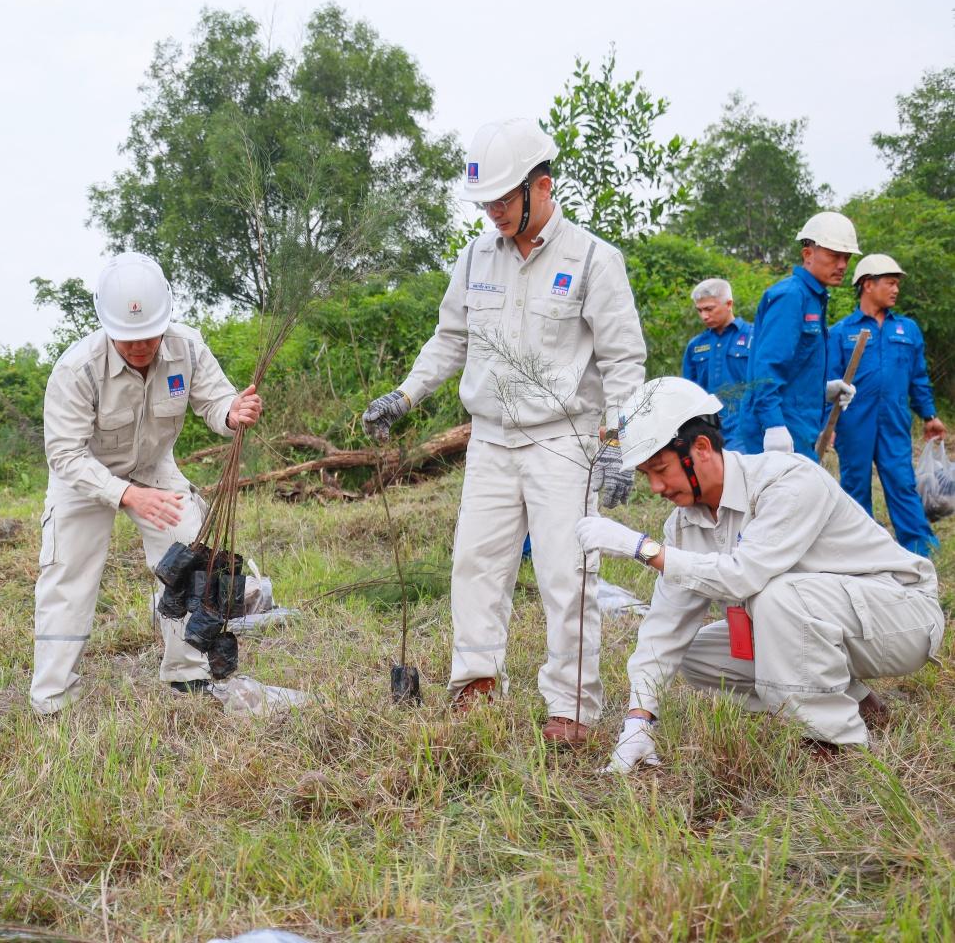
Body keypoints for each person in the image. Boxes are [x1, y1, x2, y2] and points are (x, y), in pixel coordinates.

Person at [361, 118, 646, 745]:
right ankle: (478, 683)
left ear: (540, 187)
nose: (491, 212)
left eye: (500, 199)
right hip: (490, 438)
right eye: (484, 201)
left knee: (567, 573)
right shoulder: (475, 257)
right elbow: (450, 340)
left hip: (564, 440)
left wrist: (620, 443)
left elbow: (624, 361)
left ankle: (571, 706)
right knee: (476, 562)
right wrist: (404, 395)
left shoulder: (594, 259)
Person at [575, 377, 943, 771]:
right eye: (647, 474)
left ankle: (836, 741)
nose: (656, 486)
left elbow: (742, 576)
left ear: (701, 449)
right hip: (830, 623)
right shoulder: (684, 524)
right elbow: (665, 626)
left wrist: (643, 549)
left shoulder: (787, 480)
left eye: (661, 469)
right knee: (695, 653)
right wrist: (638, 720)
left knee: (774, 595)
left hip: (901, 616)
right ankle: (853, 700)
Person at [31, 252, 264, 715]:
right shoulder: (76, 369)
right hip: (85, 475)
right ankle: (52, 698)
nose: (140, 348)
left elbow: (216, 400)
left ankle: (188, 672)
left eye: (149, 337)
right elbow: (64, 454)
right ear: (106, 326)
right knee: (67, 577)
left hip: (154, 468)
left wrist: (231, 413)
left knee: (190, 555)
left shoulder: (188, 348)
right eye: (128, 339)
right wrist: (125, 495)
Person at [829, 254, 946, 557]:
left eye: (897, 284)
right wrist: (825, 426)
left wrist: (929, 415)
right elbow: (828, 383)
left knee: (902, 482)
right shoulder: (841, 332)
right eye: (890, 283)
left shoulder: (907, 330)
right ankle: (862, 549)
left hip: (893, 419)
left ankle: (921, 547)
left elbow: (918, 378)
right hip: (854, 421)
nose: (896, 289)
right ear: (868, 284)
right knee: (854, 486)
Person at [737, 212, 860, 459]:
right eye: (834, 255)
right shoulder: (791, 296)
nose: (842, 265)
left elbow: (796, 369)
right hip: (780, 429)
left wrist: (823, 390)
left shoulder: (814, 299)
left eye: (846, 257)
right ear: (808, 254)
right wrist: (773, 424)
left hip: (799, 427)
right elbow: (767, 367)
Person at [680, 278, 753, 448]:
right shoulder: (695, 346)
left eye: (709, 309)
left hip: (745, 430)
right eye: (699, 310)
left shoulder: (754, 337)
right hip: (708, 432)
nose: (704, 316)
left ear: (729, 304)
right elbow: (690, 394)